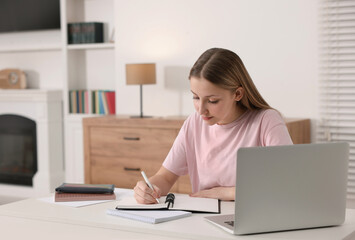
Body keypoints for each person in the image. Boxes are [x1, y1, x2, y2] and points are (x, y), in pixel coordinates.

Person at [134, 48, 293, 204]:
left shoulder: (266, 121)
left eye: (212, 100)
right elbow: (165, 177)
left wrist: (229, 192)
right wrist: (149, 188)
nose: (201, 109)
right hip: (204, 219)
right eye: (196, 97)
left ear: (237, 94)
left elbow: (288, 183)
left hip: (254, 215)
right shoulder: (194, 122)